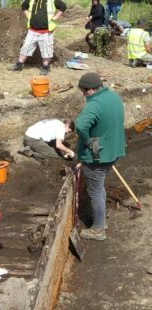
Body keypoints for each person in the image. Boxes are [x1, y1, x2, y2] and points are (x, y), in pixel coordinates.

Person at [76, 72, 125, 241]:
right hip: (113, 150)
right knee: (99, 186)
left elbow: (81, 125)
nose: (83, 95)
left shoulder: (94, 104)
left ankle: (98, 230)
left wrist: (89, 141)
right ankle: (101, 221)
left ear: (90, 90)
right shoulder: (114, 97)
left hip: (98, 154)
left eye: (83, 91)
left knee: (95, 191)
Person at [8, 0, 67, 75]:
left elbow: (63, 6)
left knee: (47, 50)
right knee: (26, 47)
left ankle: (45, 67)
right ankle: (19, 65)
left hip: (46, 31)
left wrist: (56, 17)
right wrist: (28, 16)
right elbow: (24, 6)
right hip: (33, 30)